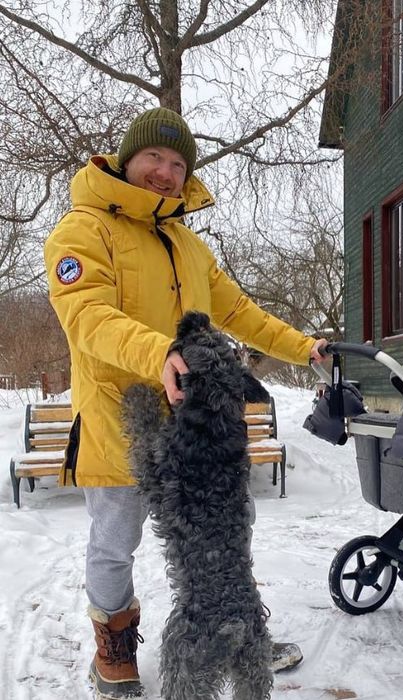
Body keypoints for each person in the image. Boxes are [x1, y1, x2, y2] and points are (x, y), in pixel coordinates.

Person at [44, 107, 327, 700]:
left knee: (223, 540)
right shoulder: (83, 229)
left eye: (178, 164)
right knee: (115, 542)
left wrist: (306, 348)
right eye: (154, 158)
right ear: (127, 159)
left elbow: (240, 312)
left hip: (199, 429)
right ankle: (114, 643)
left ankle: (239, 628)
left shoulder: (189, 245)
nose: (166, 172)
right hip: (123, 422)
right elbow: (87, 318)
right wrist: (161, 355)